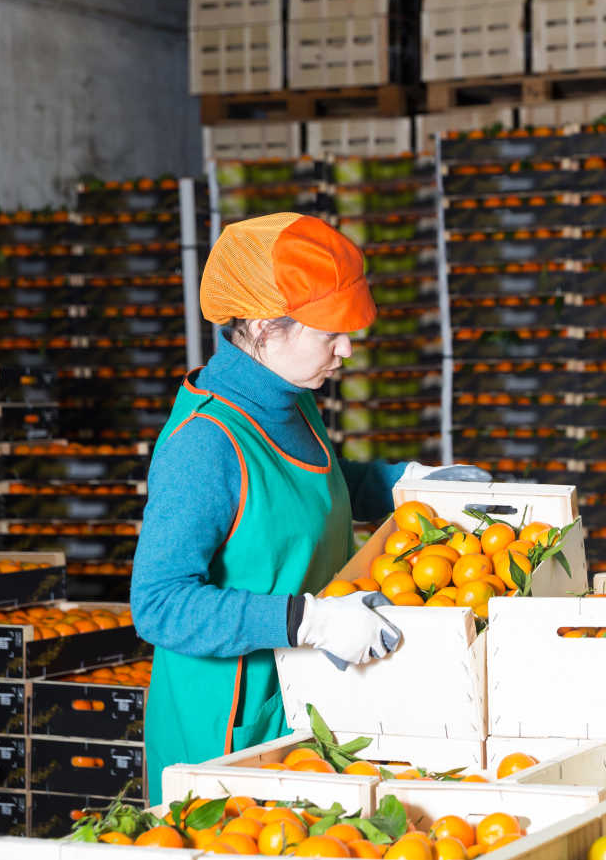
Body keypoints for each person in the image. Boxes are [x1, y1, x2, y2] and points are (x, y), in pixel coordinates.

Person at [131, 212, 486, 799]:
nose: (346, 349)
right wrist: (306, 620)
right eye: (330, 333)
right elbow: (160, 605)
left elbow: (310, 488)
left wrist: (411, 482)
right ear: (268, 327)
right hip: (231, 736)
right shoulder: (203, 445)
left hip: (310, 699)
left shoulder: (286, 396)